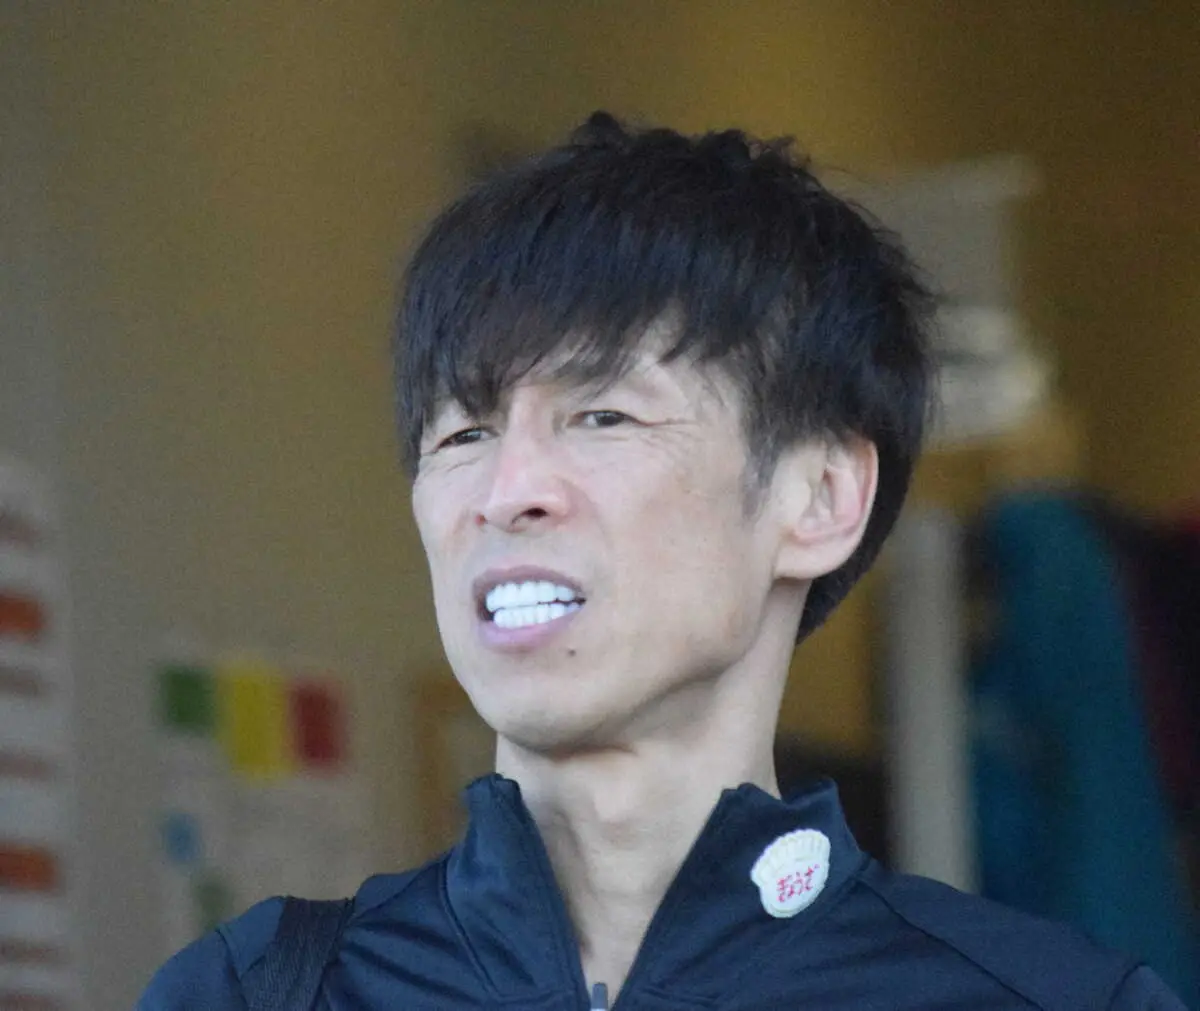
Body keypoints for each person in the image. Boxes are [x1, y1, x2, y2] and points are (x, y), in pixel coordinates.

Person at [139, 113, 1187, 1009]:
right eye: (463, 433)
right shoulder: (257, 991)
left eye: (602, 414)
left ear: (821, 498)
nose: (508, 489)